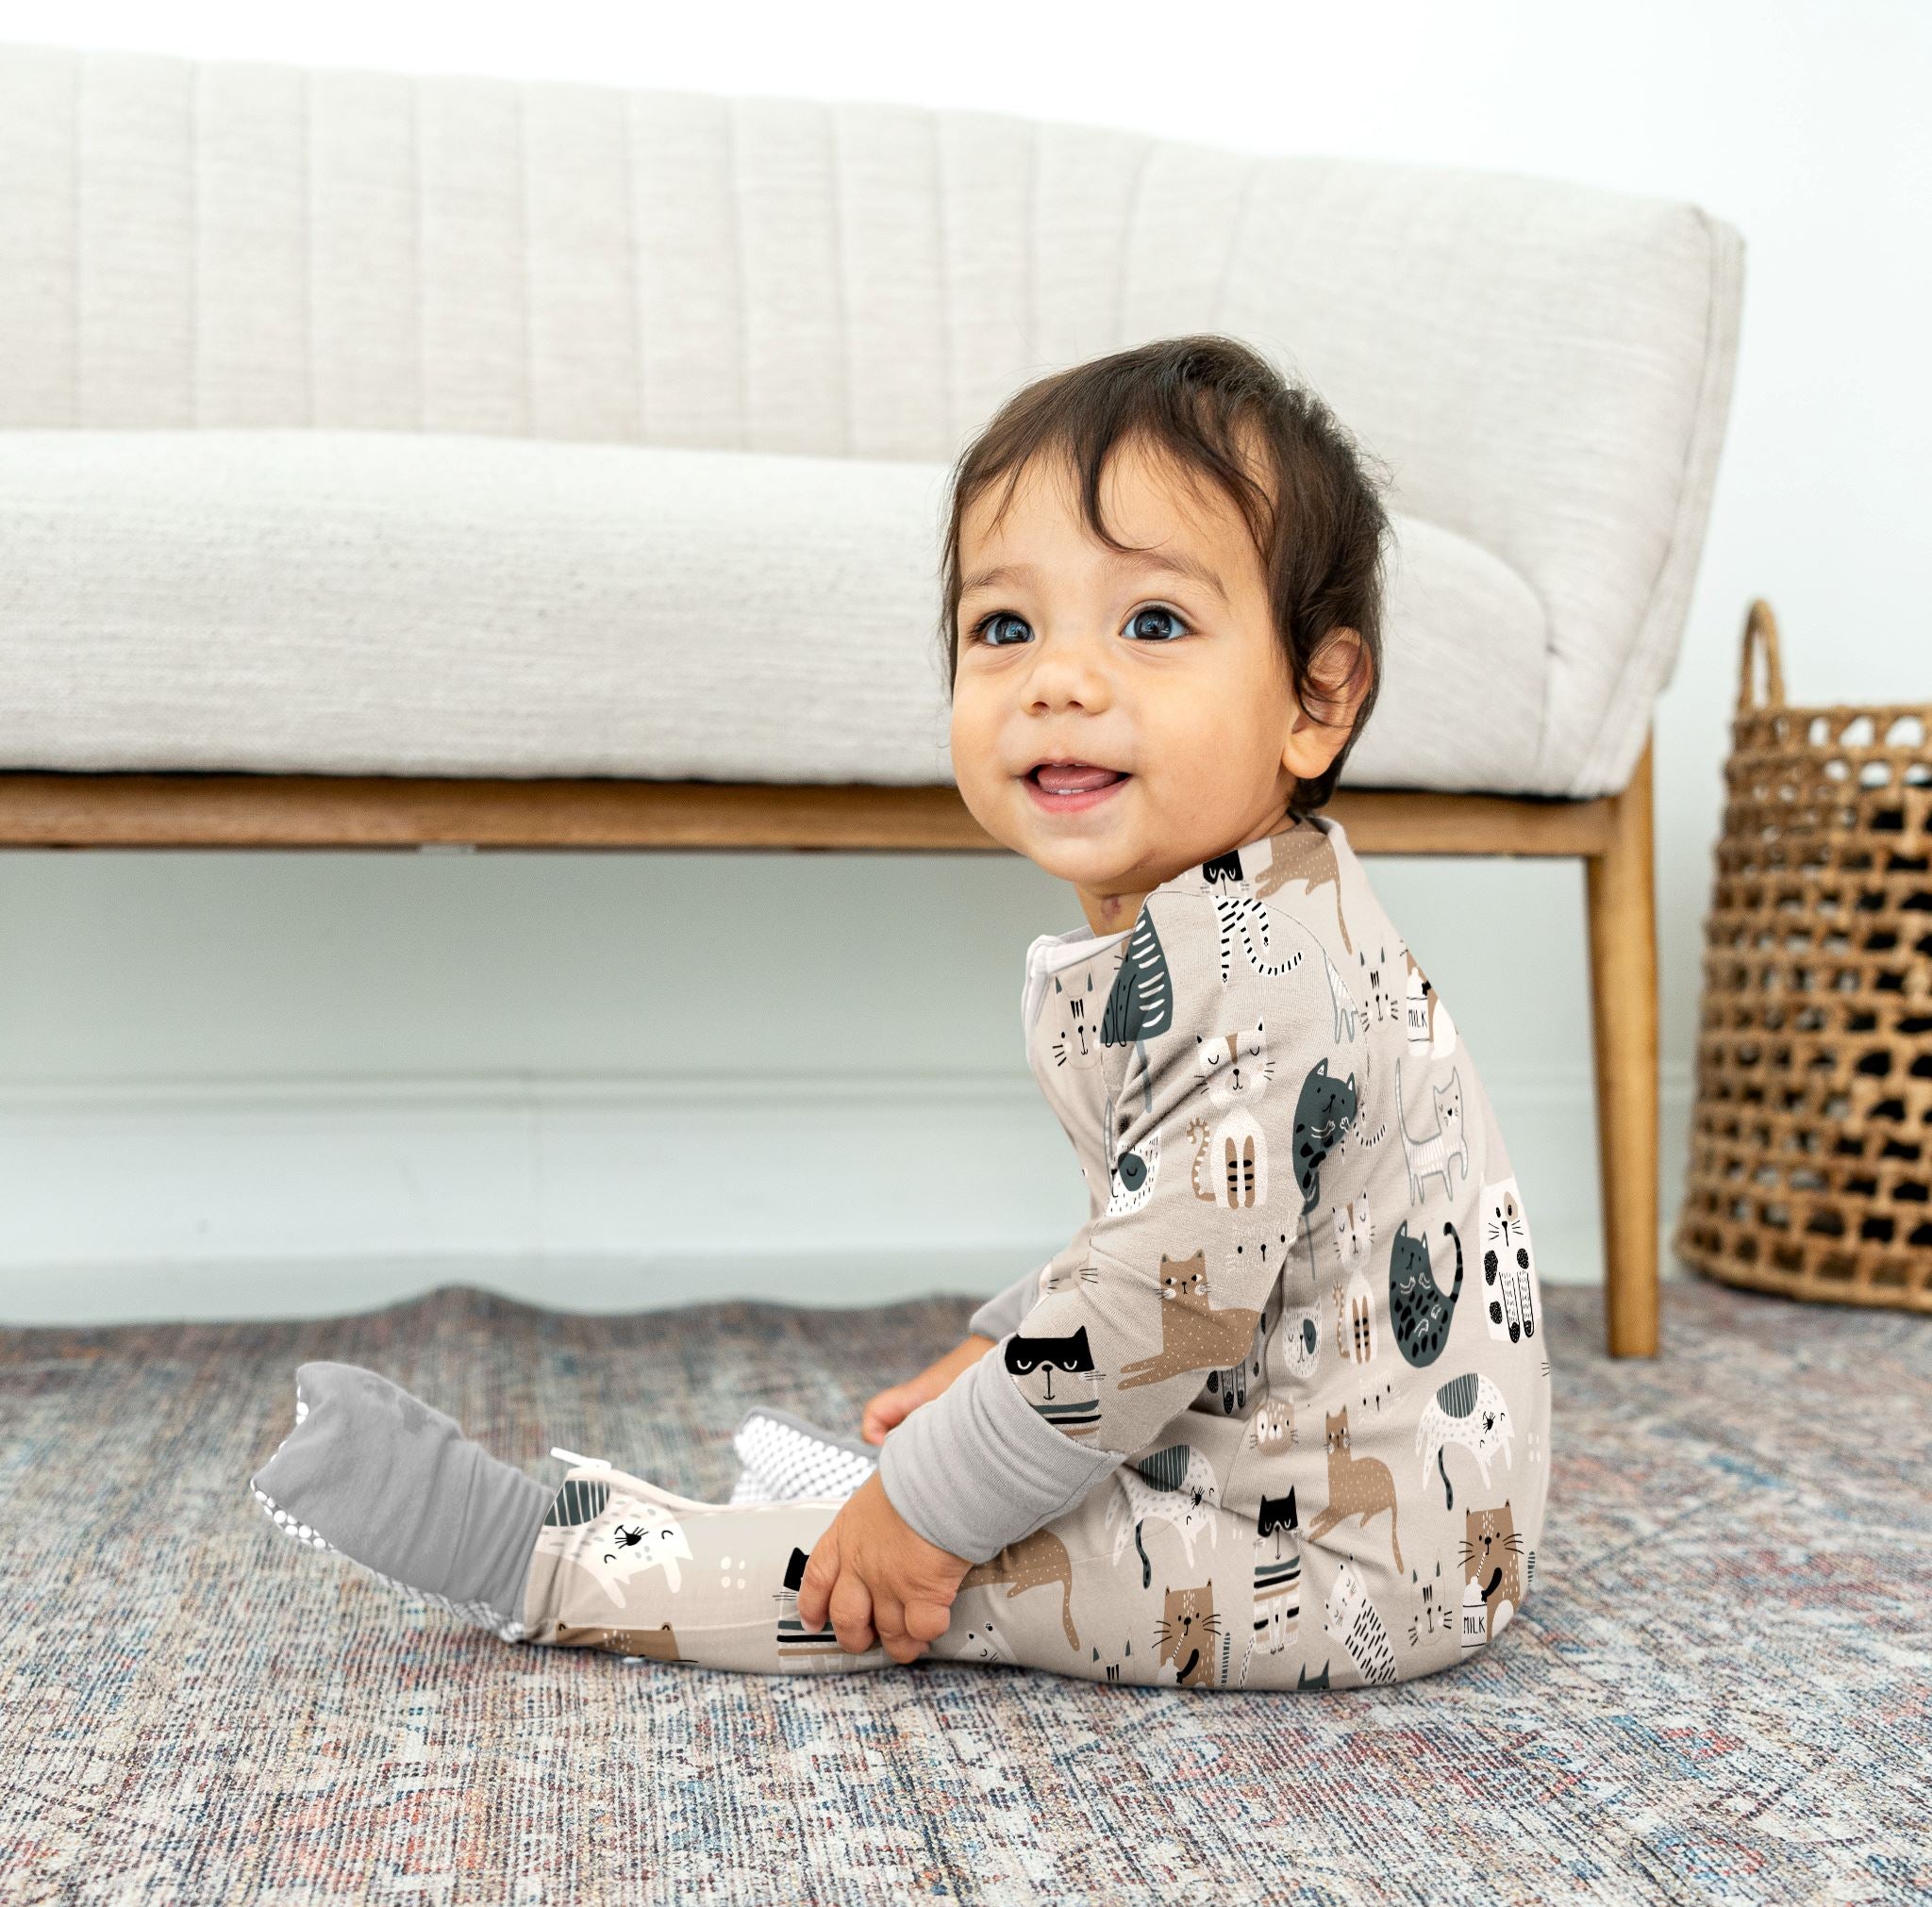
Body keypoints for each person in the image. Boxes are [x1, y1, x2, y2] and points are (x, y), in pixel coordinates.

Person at [249, 334, 1552, 1691]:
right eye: (1005, 628)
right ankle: (904, 1490)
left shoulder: (1257, 973)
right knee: (977, 1480)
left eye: (1152, 624)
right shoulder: (1248, 914)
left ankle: (549, 1558)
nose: (1058, 678)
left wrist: (930, 1510)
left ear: (1316, 699)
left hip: (1353, 1568)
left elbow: (1155, 1311)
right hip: (1293, 1469)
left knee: (921, 1584)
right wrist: (1000, 1351)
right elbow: (1170, 1219)